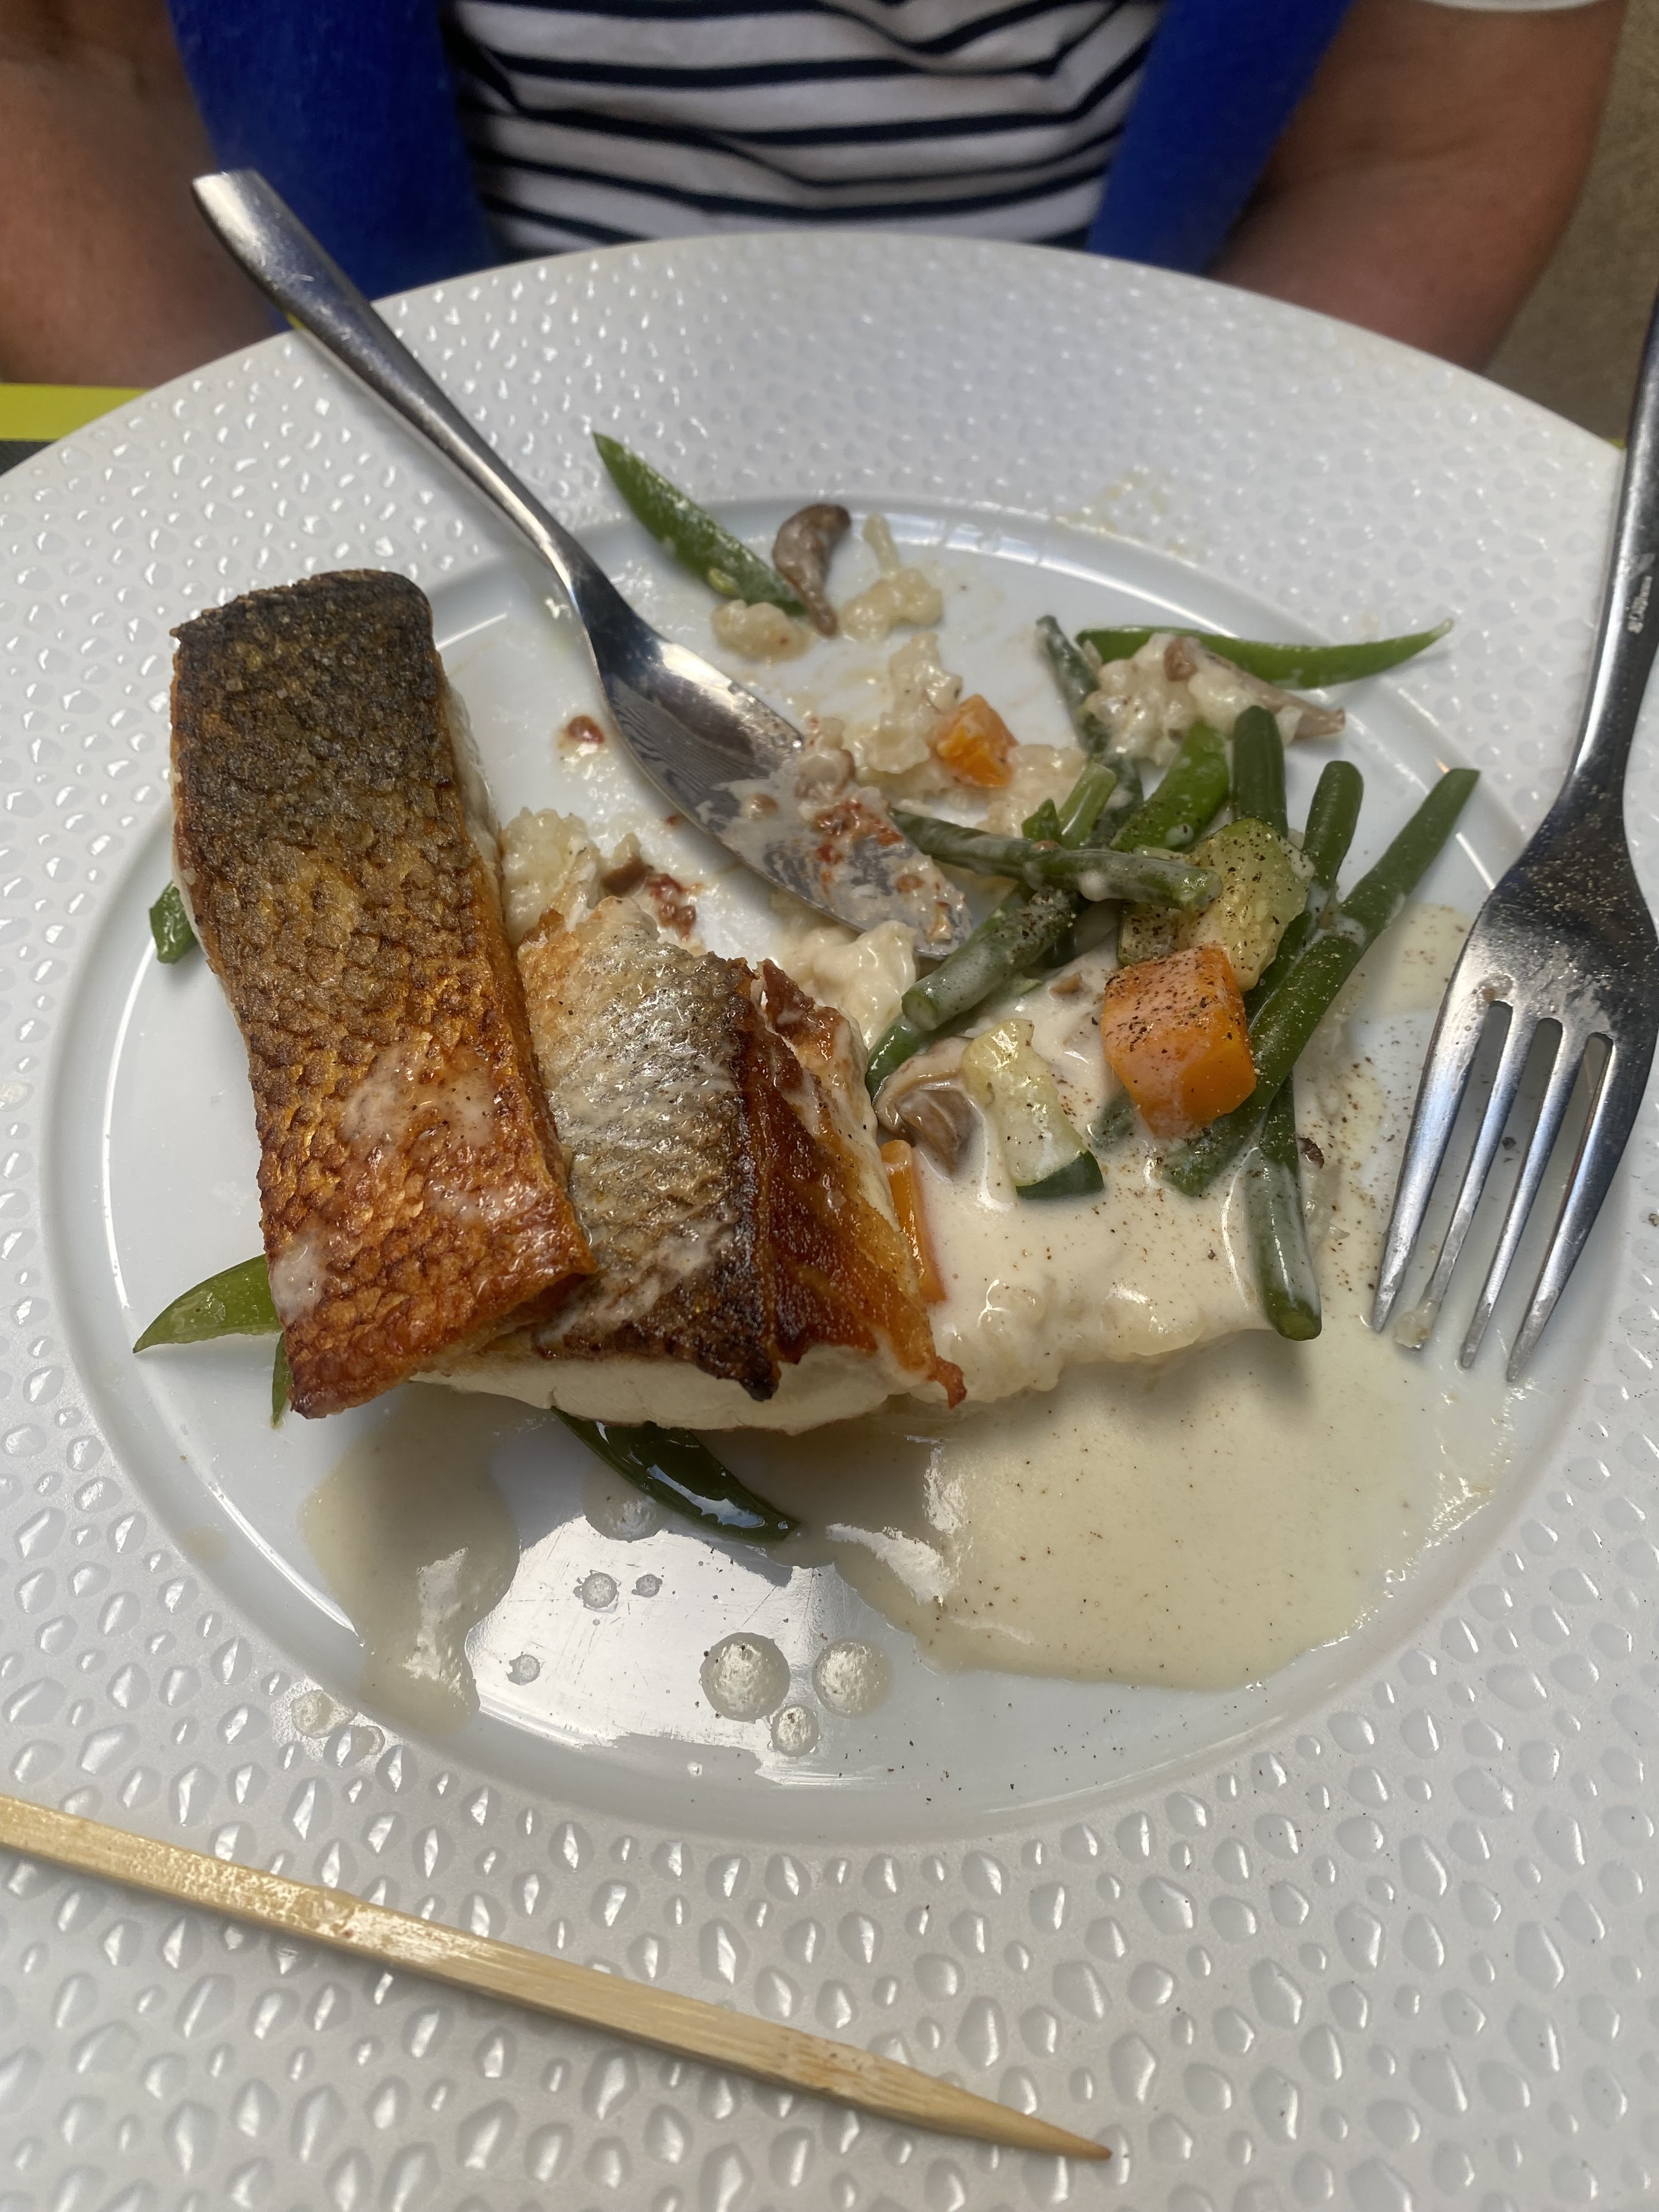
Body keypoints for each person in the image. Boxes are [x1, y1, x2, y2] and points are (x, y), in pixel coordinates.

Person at [0, 0, 1626, 388]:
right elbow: (64, 61)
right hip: (377, 352)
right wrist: (276, 479)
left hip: (1147, 349)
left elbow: (1413, 148)